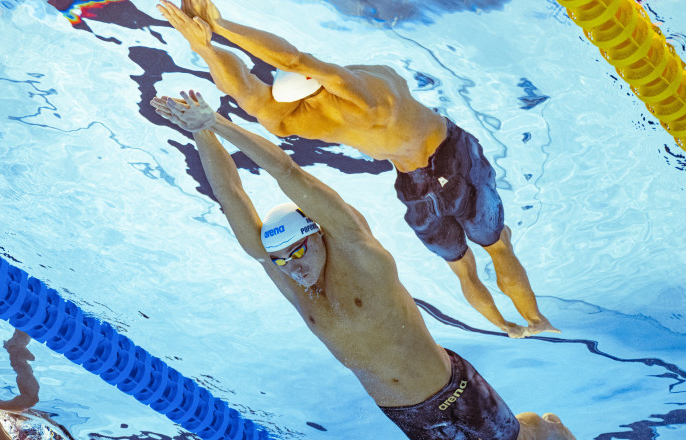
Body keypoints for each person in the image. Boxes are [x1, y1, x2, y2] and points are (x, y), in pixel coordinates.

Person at [149, 89, 575, 439]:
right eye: (280, 261)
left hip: (453, 391)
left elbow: (287, 172)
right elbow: (232, 197)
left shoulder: (358, 252)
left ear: (317, 232)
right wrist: (200, 132)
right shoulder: (296, 285)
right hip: (410, 417)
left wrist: (219, 122)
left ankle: (548, 426)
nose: (291, 267)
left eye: (297, 251)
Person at [156, 0, 559, 338]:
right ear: (314, 81)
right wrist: (221, 24)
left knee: (462, 271)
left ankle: (507, 328)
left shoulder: (292, 120)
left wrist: (205, 46)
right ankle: (537, 320)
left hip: (411, 187)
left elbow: (242, 87)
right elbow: (296, 57)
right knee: (498, 245)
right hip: (452, 156)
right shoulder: (369, 99)